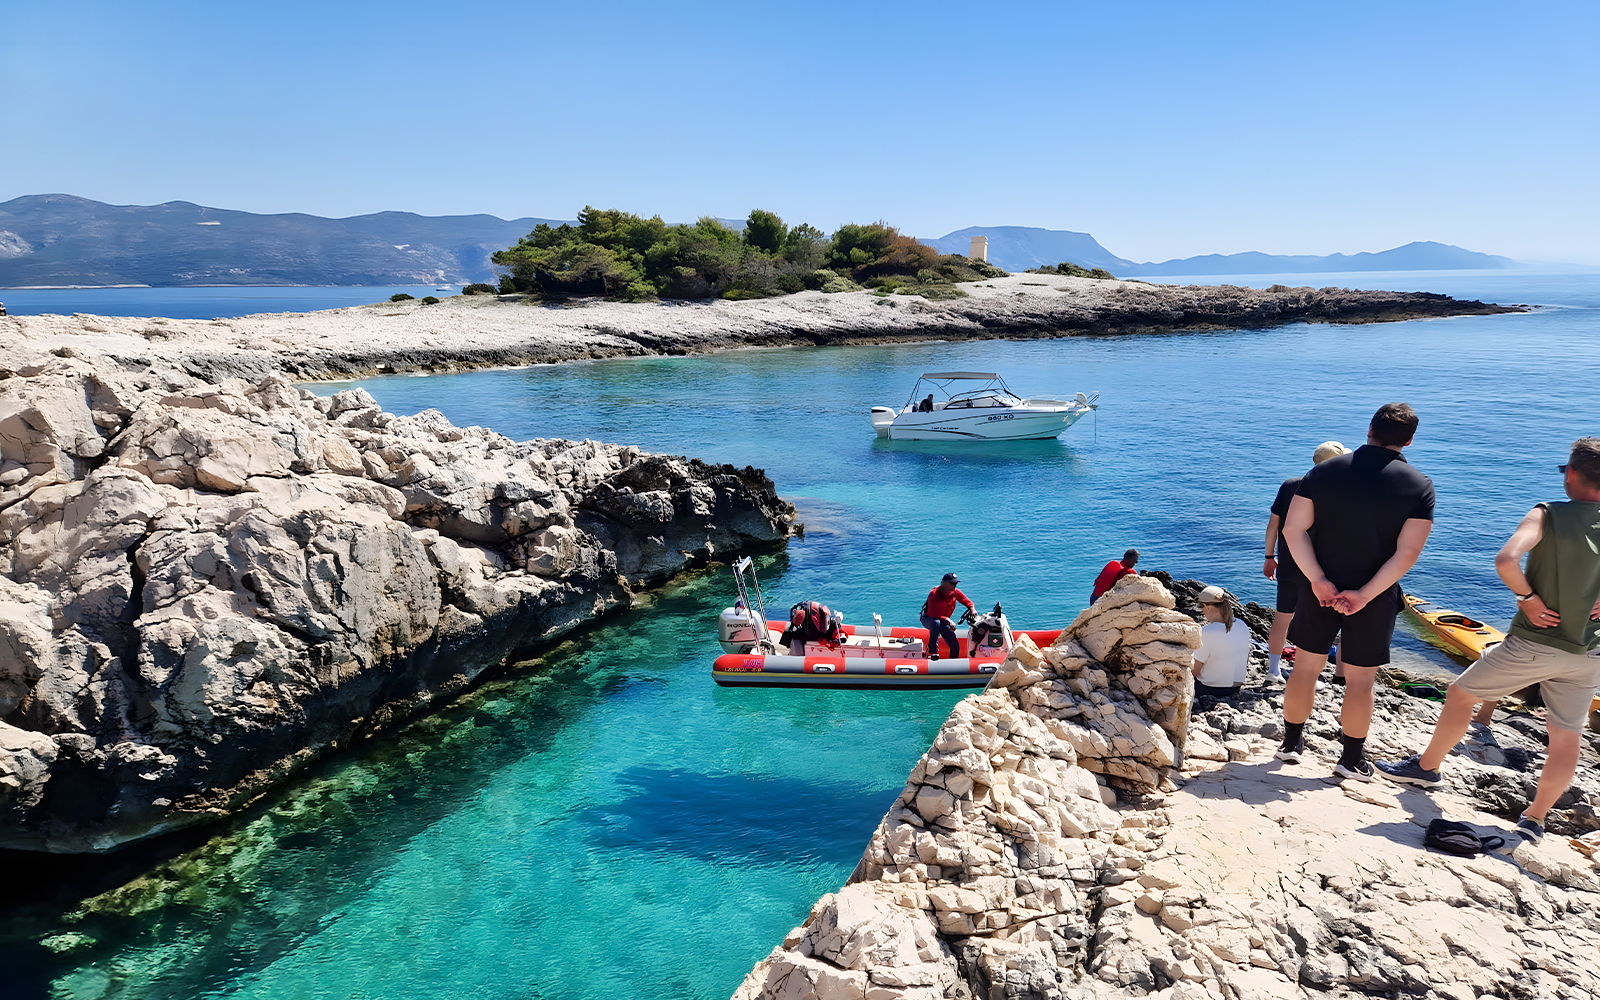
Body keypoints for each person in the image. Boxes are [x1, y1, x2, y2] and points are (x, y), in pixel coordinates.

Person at [1377, 438, 1600, 844]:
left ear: (1571, 473)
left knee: (1462, 693)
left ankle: (1427, 768)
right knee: (1566, 736)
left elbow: (1506, 559)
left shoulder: (1547, 513)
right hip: (1589, 654)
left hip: (1537, 641)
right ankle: (1535, 818)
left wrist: (1528, 600)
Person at [1275, 403, 1435, 781]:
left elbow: (1293, 530)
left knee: (1305, 667)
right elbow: (1407, 553)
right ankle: (1350, 760)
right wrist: (1364, 594)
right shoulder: (1419, 486)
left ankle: (1290, 744)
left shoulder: (1323, 471)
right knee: (1362, 680)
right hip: (1375, 597)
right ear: (1409, 440)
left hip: (1319, 589)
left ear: (1369, 430)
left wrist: (1316, 579)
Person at [1263, 441, 1350, 681]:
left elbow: (1273, 526)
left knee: (1282, 617)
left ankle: (1273, 670)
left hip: (1288, 565)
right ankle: (1304, 674)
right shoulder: (1340, 491)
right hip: (1318, 571)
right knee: (1312, 622)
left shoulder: (1290, 485)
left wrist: (1270, 557)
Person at [1193, 585, 1251, 696]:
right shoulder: (1241, 624)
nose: (1201, 609)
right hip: (1236, 687)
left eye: (1201, 605)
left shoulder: (1206, 632)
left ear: (1208, 607)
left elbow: (1194, 671)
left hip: (1210, 689)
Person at [921, 573, 976, 660]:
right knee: (936, 623)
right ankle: (933, 652)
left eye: (955, 583)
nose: (955, 585)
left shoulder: (955, 592)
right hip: (929, 618)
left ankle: (952, 664)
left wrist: (973, 610)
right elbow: (933, 614)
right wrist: (948, 620)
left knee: (955, 645)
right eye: (952, 583)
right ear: (943, 583)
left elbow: (967, 602)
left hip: (943, 621)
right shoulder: (934, 594)